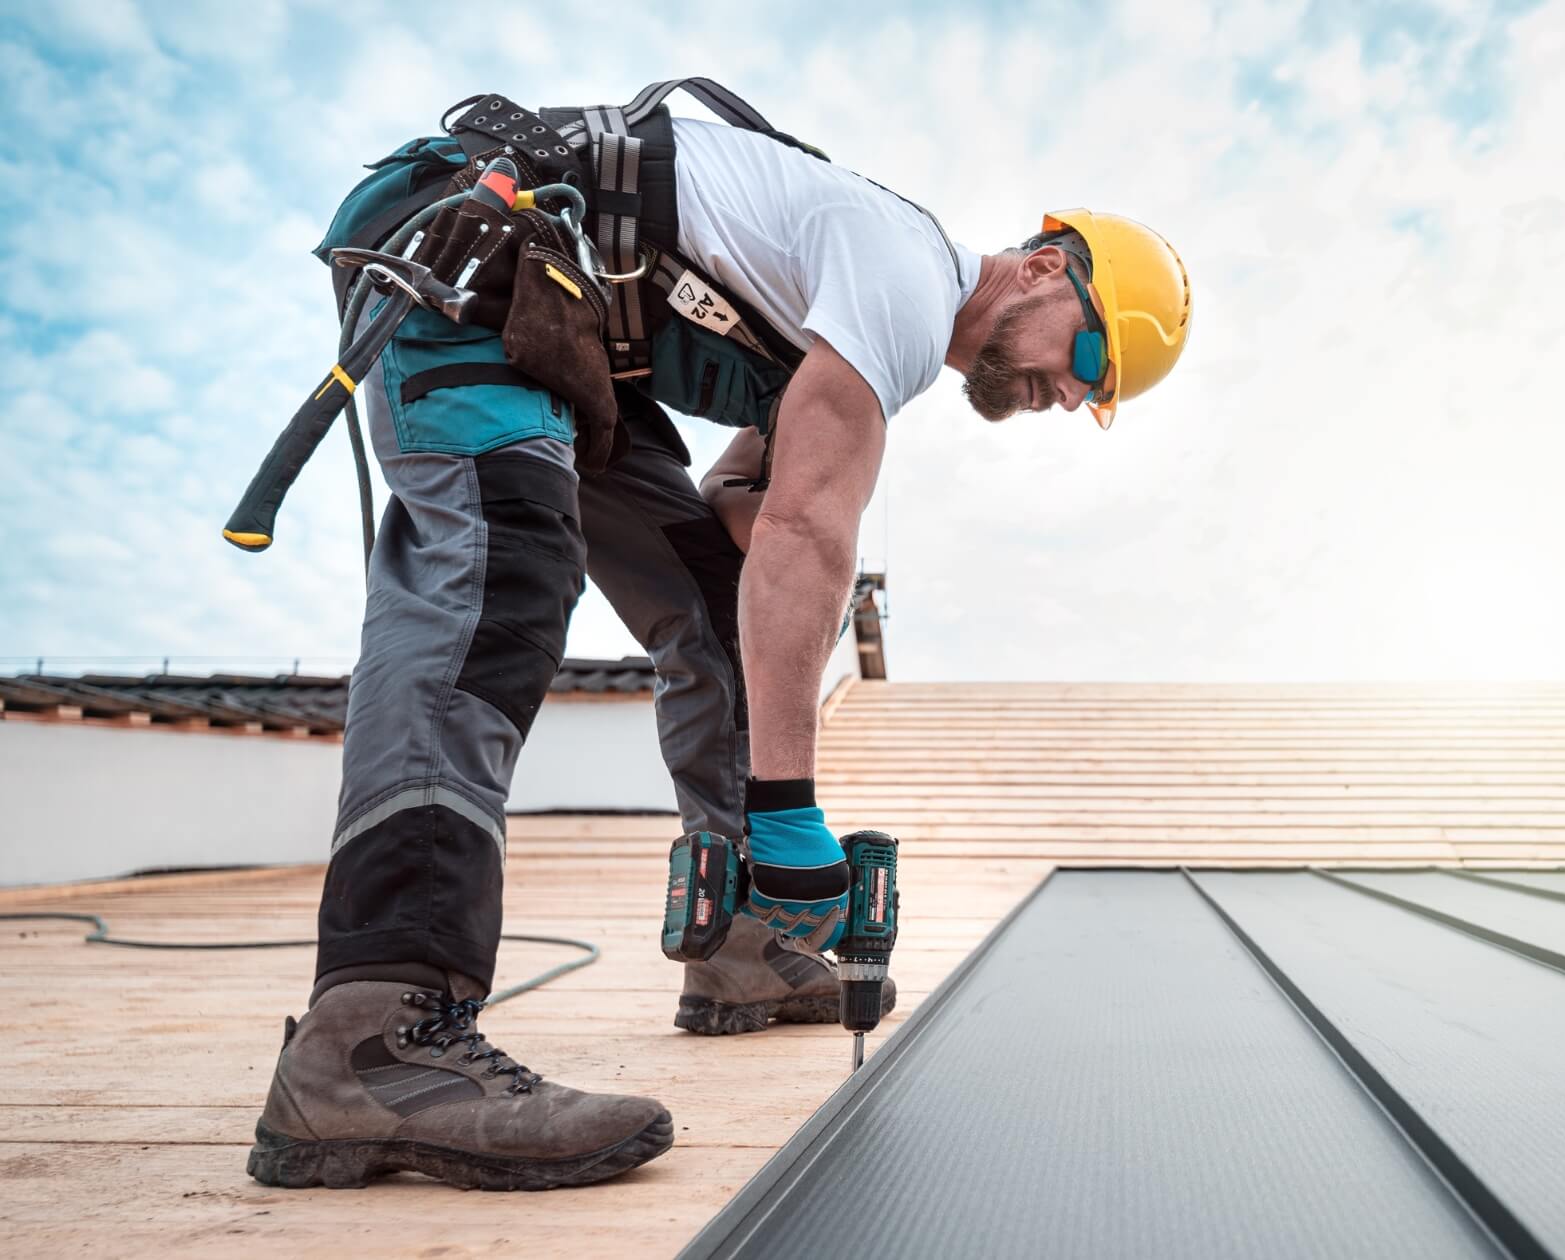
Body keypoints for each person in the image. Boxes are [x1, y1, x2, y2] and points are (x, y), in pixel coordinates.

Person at [247, 84, 1191, 1191]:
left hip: (571, 324)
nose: (1071, 397)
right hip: (477, 245)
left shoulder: (855, 309)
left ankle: (745, 946)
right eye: (1090, 357)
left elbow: (754, 520)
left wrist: (767, 825)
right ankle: (375, 1029)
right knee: (502, 573)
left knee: (710, 600)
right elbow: (807, 534)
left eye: (1098, 395)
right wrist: (789, 809)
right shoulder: (903, 275)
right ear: (1042, 264)